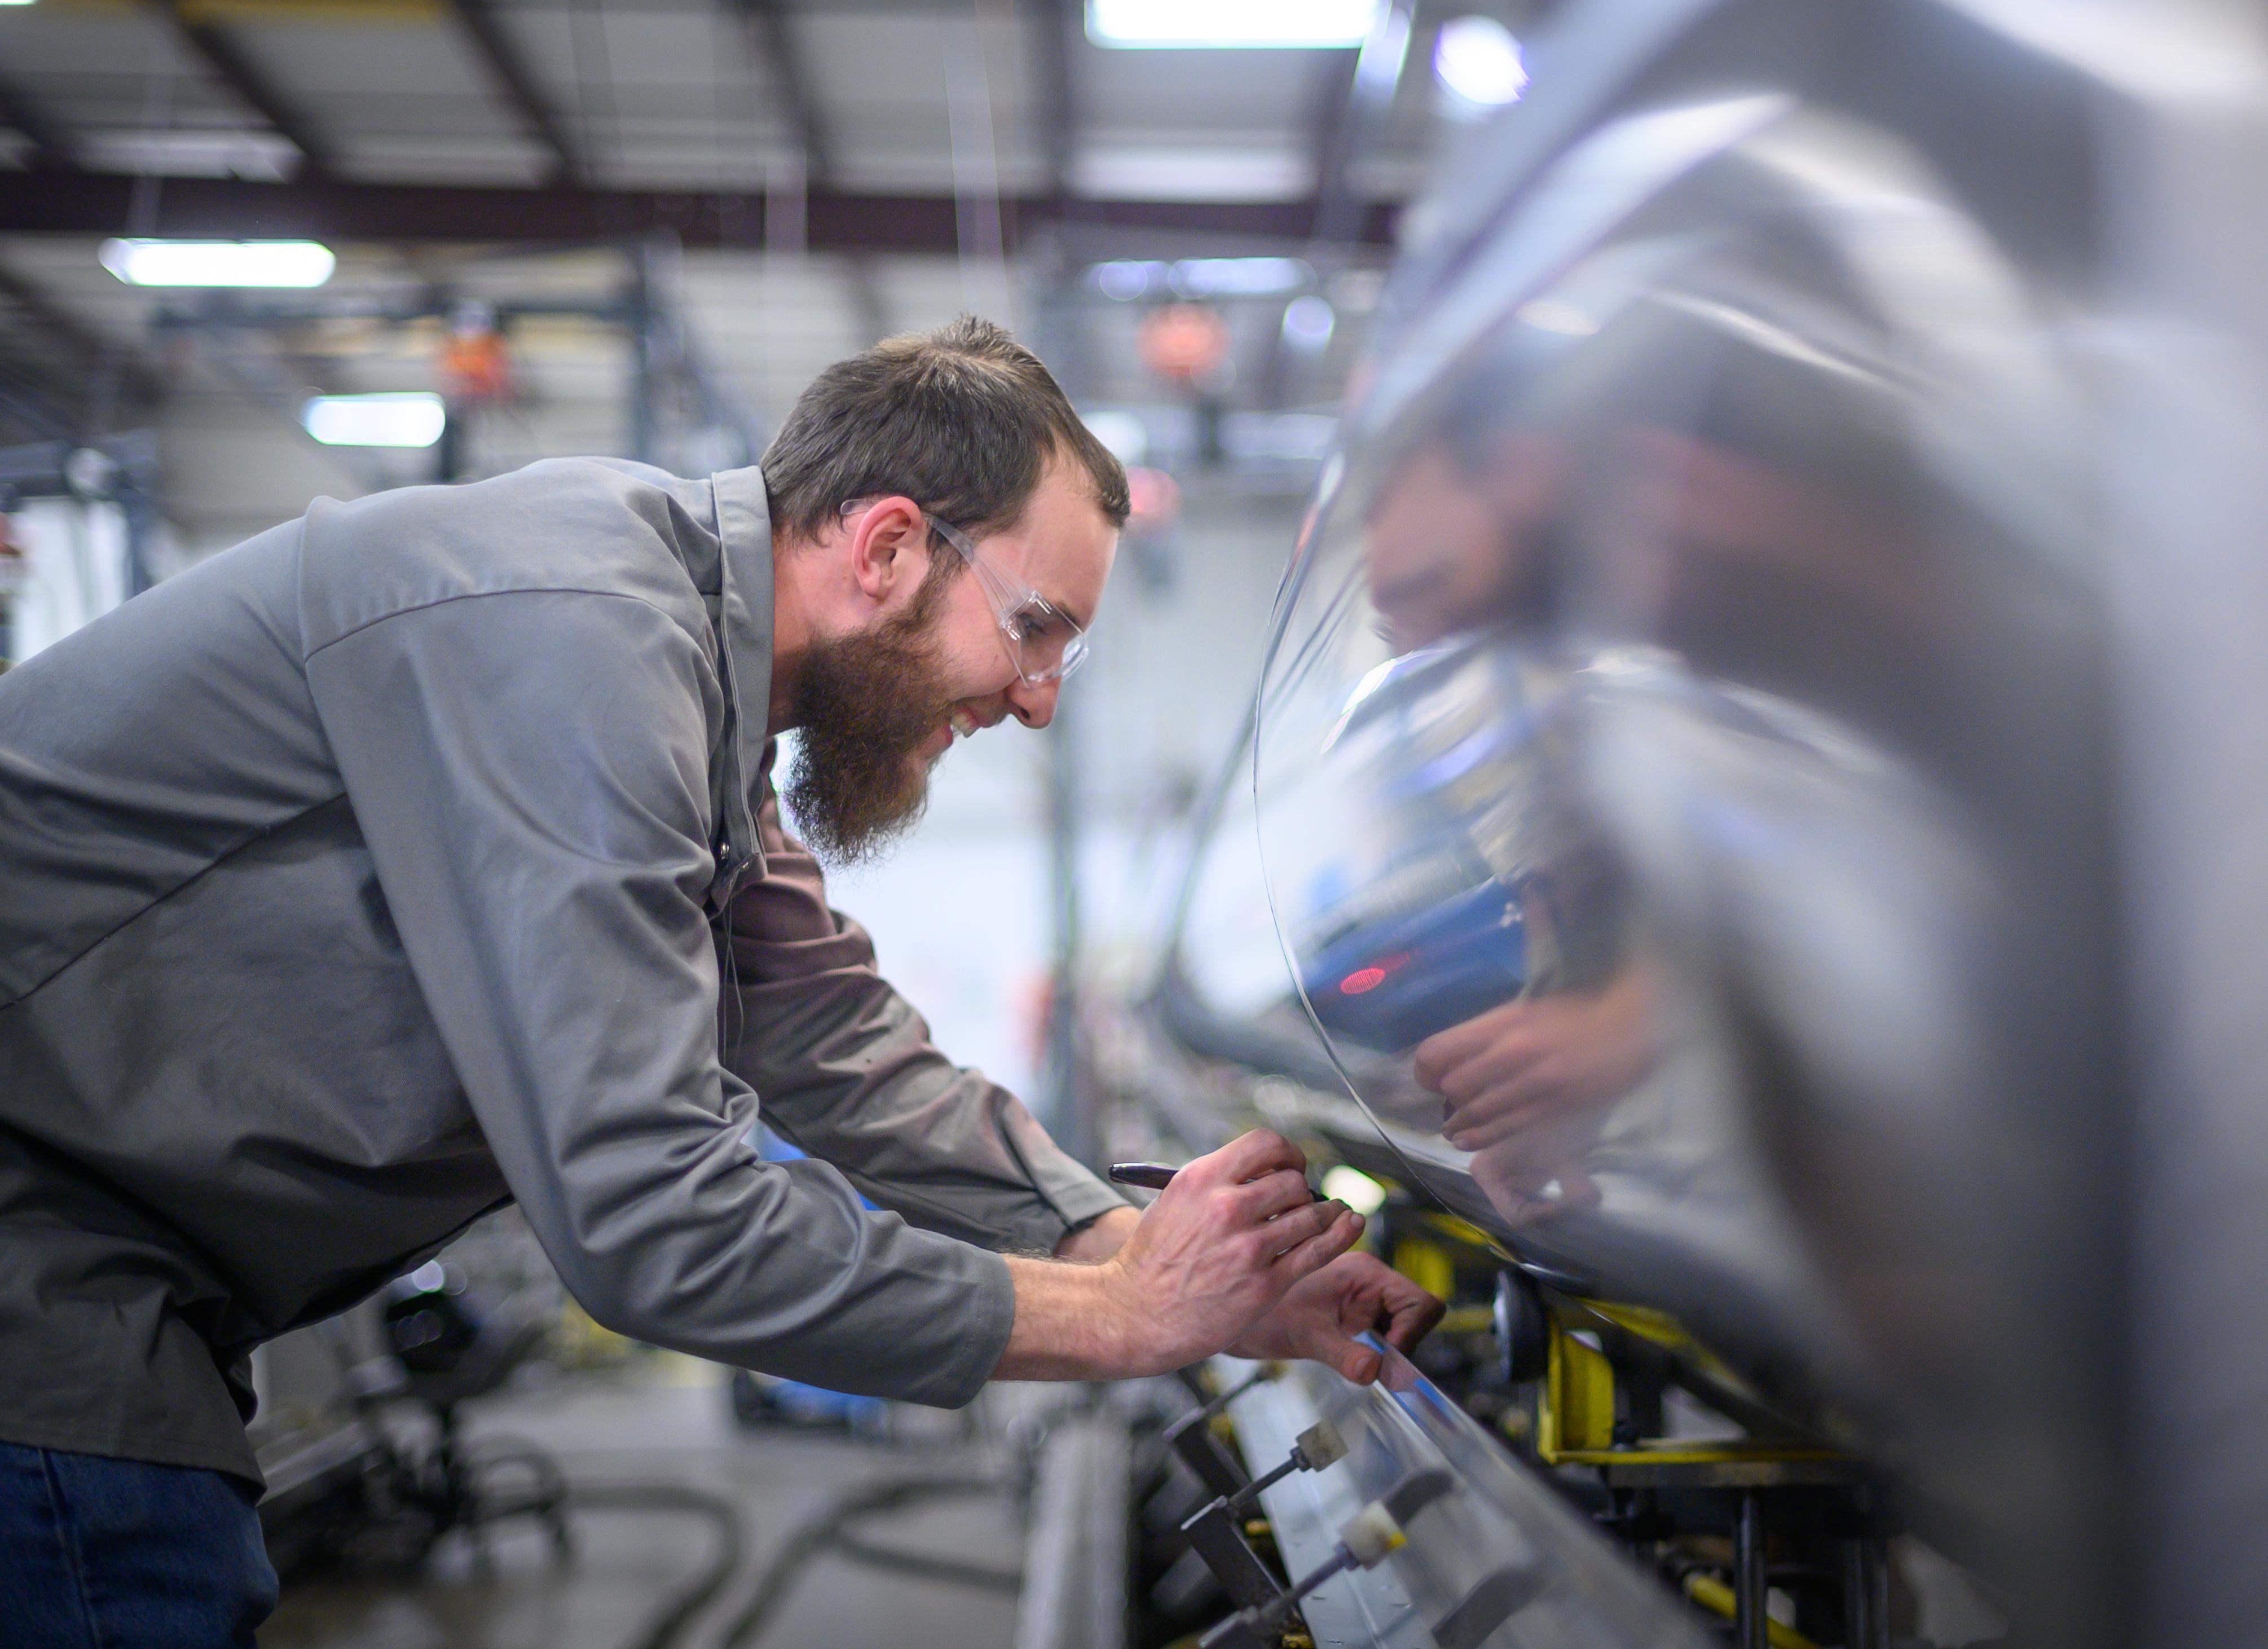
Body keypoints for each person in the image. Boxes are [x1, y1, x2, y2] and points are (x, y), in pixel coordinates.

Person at [0, 316, 1443, 1646]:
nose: (1041, 695)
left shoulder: (686, 681)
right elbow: (650, 1213)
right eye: (1036, 626)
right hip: (42, 1253)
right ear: (885, 546)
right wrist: (1127, 1321)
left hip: (116, 1273)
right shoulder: (575, 627)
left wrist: (1144, 1249)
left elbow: (826, 1028)